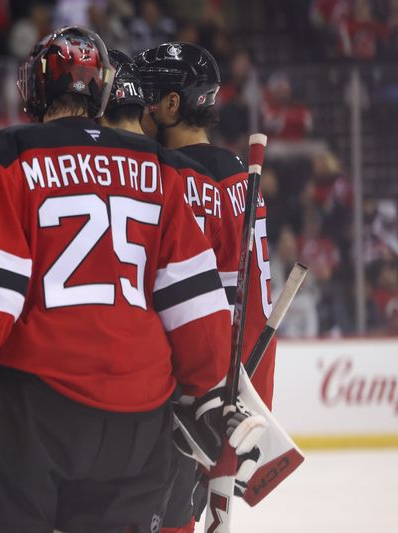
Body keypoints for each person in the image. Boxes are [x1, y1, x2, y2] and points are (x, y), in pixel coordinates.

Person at [0, 27, 262, 533]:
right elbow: (193, 297)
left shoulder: (10, 151)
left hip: (37, 408)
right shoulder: (161, 166)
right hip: (140, 417)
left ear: (38, 87)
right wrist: (210, 392)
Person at [133, 42, 276, 532]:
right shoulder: (239, 175)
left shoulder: (159, 175)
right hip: (221, 393)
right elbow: (254, 304)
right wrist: (250, 407)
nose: (136, 108)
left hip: (171, 395)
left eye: (144, 97)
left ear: (173, 104)